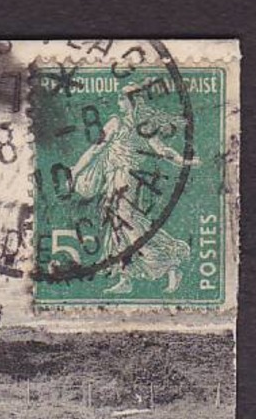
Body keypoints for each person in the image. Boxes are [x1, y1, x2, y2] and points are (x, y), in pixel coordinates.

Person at [67, 83, 197, 295]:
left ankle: (169, 262)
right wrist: (76, 172)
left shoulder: (131, 125)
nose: (118, 103)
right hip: (114, 177)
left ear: (132, 101)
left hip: (125, 177)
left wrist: (183, 160)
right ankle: (126, 277)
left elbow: (159, 150)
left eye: (121, 99)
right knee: (118, 225)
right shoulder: (126, 124)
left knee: (126, 222)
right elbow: (96, 150)